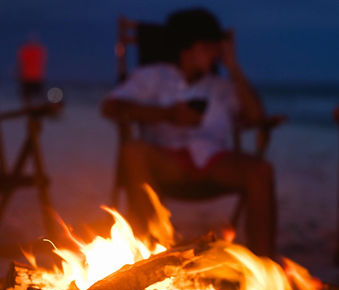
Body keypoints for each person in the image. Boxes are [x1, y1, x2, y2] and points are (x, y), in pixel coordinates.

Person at [102, 8, 276, 257]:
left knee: (261, 170)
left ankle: (265, 265)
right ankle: (150, 250)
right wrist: (167, 114)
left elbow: (257, 117)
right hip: (168, 160)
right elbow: (112, 107)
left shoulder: (221, 86)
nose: (216, 54)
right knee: (133, 151)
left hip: (214, 161)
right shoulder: (153, 77)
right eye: (209, 47)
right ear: (188, 48)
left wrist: (233, 67)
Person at [17, 35, 47, 104]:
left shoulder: (24, 50)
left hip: (29, 77)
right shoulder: (40, 50)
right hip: (35, 77)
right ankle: (36, 106)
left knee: (28, 95)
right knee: (37, 95)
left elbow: (21, 63)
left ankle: (30, 106)